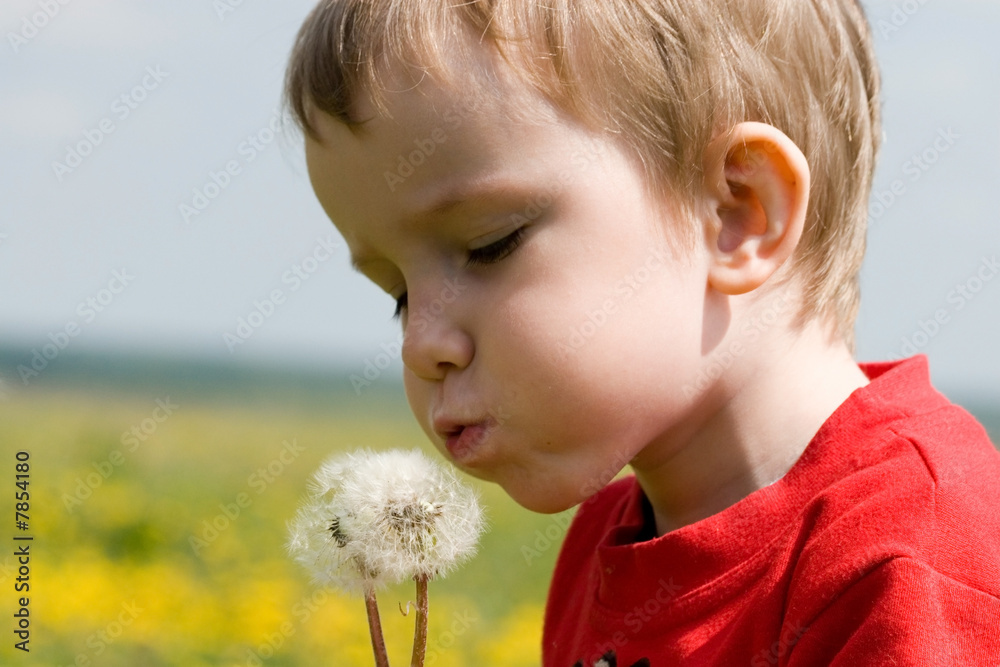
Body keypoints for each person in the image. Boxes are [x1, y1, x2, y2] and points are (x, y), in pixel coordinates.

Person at [284, 1, 1000, 664]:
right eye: (399, 294)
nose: (419, 344)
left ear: (737, 213)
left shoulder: (910, 562)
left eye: (489, 244)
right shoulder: (606, 540)